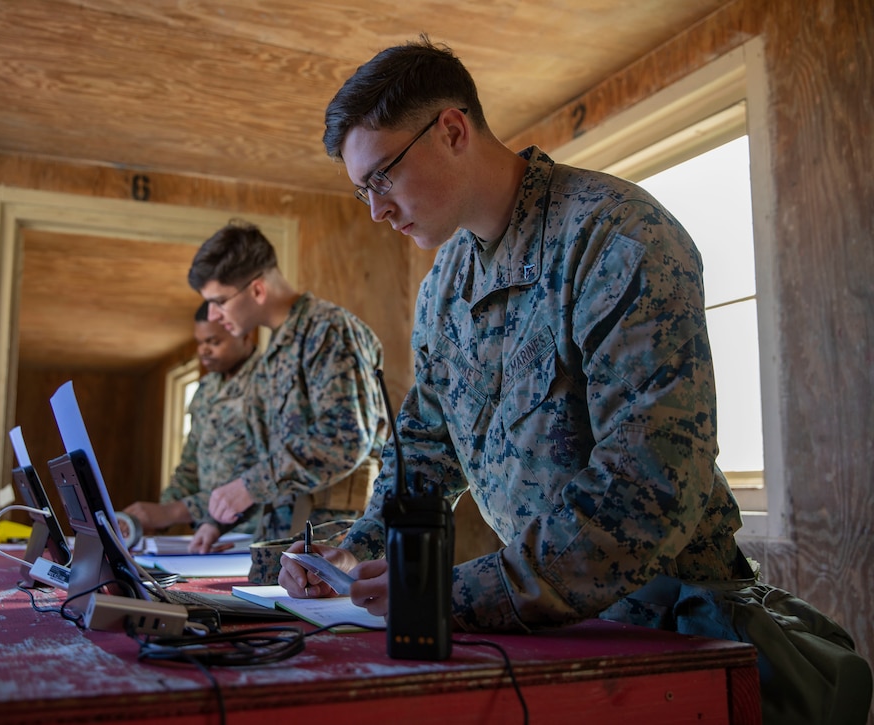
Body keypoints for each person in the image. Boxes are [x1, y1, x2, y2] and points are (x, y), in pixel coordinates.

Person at [282, 36, 747, 628]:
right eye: (362, 190)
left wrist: (451, 594)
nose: (377, 210)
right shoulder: (444, 286)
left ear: (452, 131)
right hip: (549, 627)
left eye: (383, 178)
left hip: (671, 623)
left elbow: (647, 487)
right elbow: (426, 449)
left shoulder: (615, 237)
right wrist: (356, 551)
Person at [187, 221, 388, 556]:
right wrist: (218, 519)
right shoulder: (273, 357)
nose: (212, 314)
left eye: (219, 301)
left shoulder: (328, 331)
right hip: (289, 541)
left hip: (341, 547)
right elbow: (266, 456)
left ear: (257, 290)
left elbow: (347, 437)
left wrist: (249, 487)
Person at [123, 301, 259, 553]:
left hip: (255, 535)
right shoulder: (206, 389)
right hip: (207, 537)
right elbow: (190, 468)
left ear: (245, 333)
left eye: (214, 342)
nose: (203, 350)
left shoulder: (267, 384)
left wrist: (172, 512)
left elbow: (266, 472)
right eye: (200, 342)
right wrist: (156, 518)